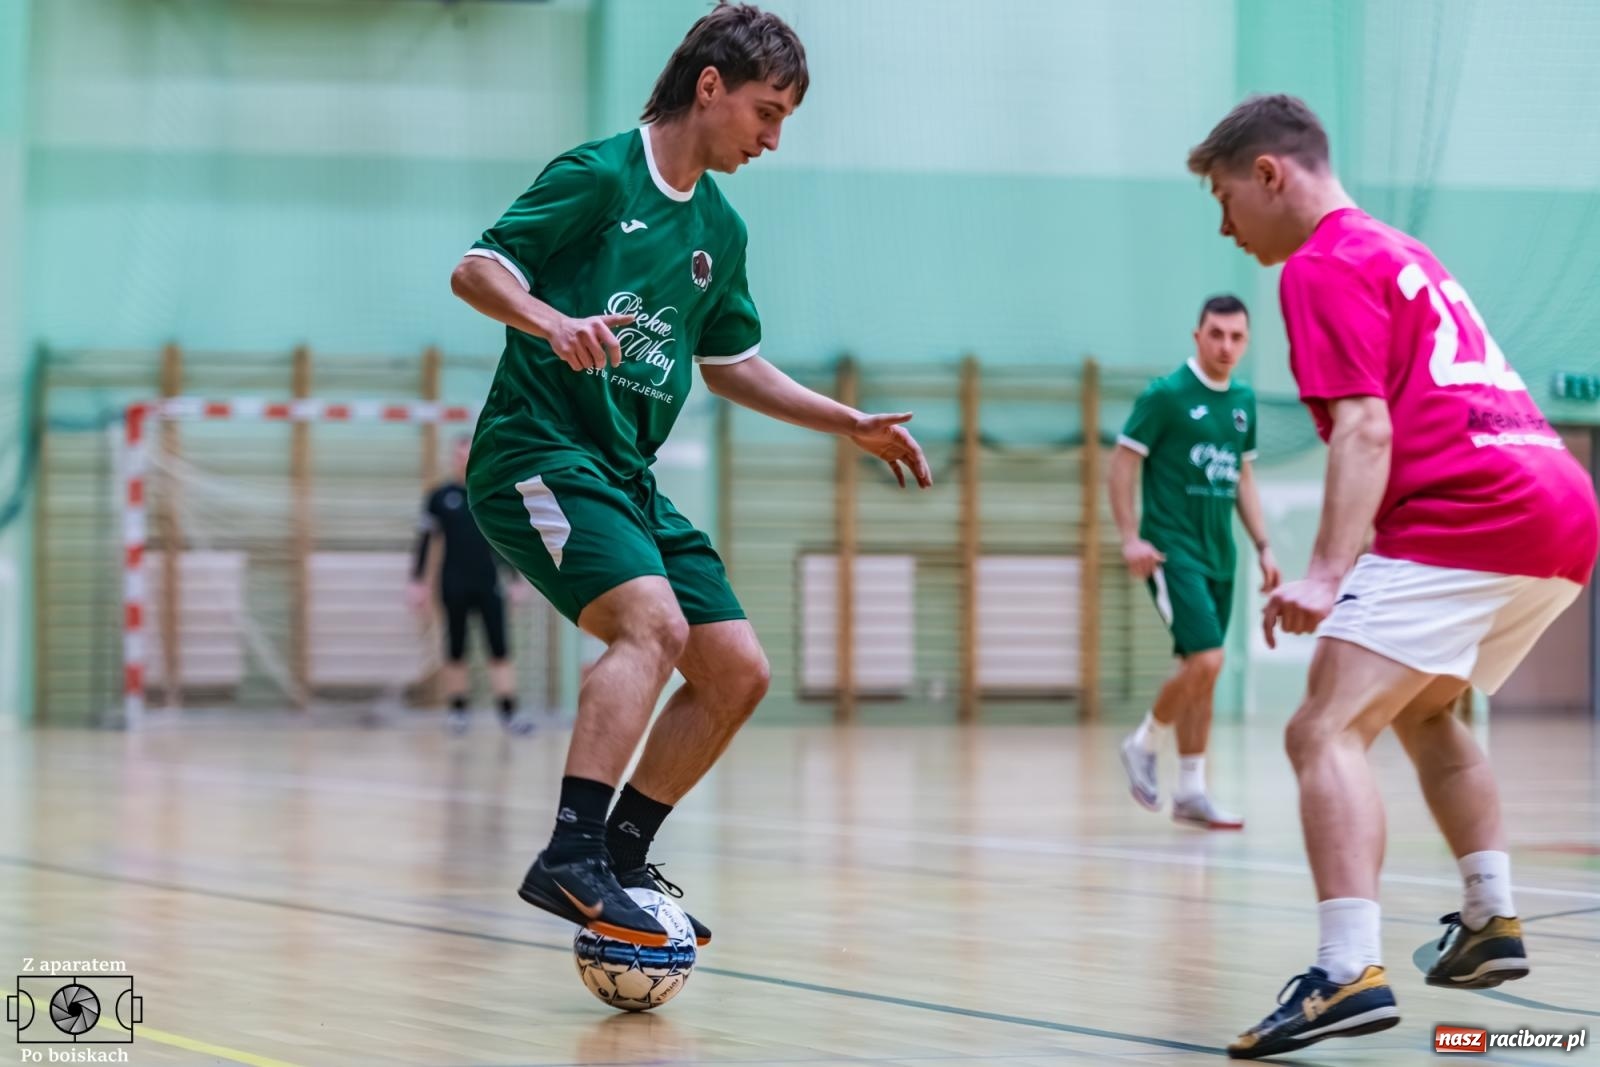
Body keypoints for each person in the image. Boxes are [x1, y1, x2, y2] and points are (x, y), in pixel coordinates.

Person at [450, 2, 931, 949]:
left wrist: (847, 421)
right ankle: (571, 855)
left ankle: (623, 855)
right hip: (537, 453)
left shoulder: (721, 228)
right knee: (652, 624)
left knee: (737, 672)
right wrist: (551, 322)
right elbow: (475, 270)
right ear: (709, 87)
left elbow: (731, 363)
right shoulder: (598, 175)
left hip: (627, 474)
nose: (774, 137)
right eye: (766, 111)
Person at [1186, 93, 1599, 1059]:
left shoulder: (1320, 264)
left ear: (1269, 175)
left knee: (1321, 727)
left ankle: (1344, 971)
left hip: (1475, 510)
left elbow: (1368, 429)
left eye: (1223, 198)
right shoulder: (1401, 250)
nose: (1223, 225)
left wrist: (1330, 571)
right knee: (1428, 710)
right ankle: (1490, 912)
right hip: (1561, 506)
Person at [1111, 295, 1280, 831]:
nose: (1226, 345)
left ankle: (1191, 792)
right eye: (1216, 334)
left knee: (1200, 673)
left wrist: (1263, 545)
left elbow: (1243, 478)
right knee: (1207, 660)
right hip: (1171, 548)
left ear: (1246, 342)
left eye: (1236, 337)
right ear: (1197, 335)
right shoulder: (1165, 396)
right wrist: (1129, 537)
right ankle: (1142, 744)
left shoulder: (1244, 402)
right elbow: (1122, 464)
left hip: (1220, 554)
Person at [409, 435, 530, 735]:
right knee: (456, 649)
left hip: (489, 584)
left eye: (469, 454)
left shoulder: (490, 495)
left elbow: (505, 544)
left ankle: (508, 714)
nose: (464, 460)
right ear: (454, 458)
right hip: (453, 584)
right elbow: (425, 541)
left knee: (499, 649)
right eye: (459, 454)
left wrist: (515, 581)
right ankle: (458, 713)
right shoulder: (439, 497)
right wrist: (417, 583)